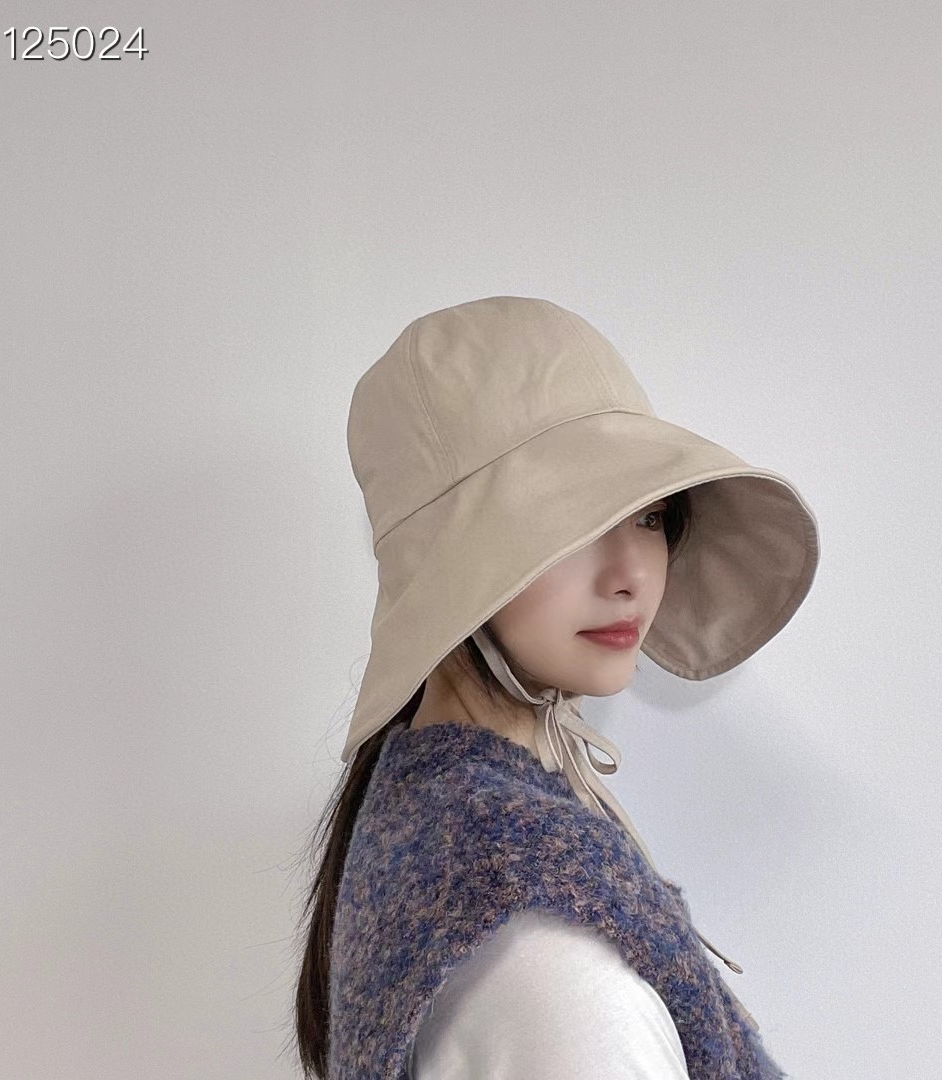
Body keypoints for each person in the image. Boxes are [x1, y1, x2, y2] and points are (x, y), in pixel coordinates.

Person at [290, 295, 820, 1079]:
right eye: (574, 522)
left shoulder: (437, 824)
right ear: (453, 561)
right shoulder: (551, 956)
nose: (632, 575)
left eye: (650, 517)